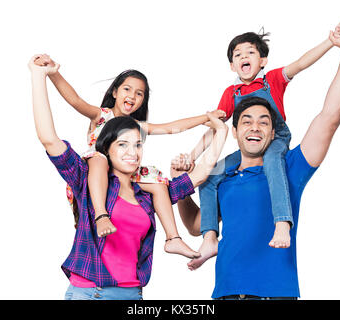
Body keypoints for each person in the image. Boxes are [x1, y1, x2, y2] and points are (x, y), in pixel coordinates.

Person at [173, 20, 340, 299]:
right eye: (246, 121)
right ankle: (210, 241)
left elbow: (330, 116)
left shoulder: (289, 168)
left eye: (264, 122)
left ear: (273, 131)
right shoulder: (225, 175)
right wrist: (183, 179)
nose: (255, 127)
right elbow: (194, 224)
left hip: (275, 294)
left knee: (254, 164)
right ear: (234, 131)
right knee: (207, 171)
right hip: (225, 294)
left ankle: (281, 222)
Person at [28, 55, 229, 299]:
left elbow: (176, 132)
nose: (132, 97)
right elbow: (72, 103)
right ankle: (100, 214)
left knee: (158, 182)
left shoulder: (141, 160)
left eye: (139, 94)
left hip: (132, 293)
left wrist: (210, 121)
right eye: (127, 89)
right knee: (99, 161)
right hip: (95, 176)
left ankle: (173, 237)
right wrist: (49, 74)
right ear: (114, 91)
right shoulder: (100, 118)